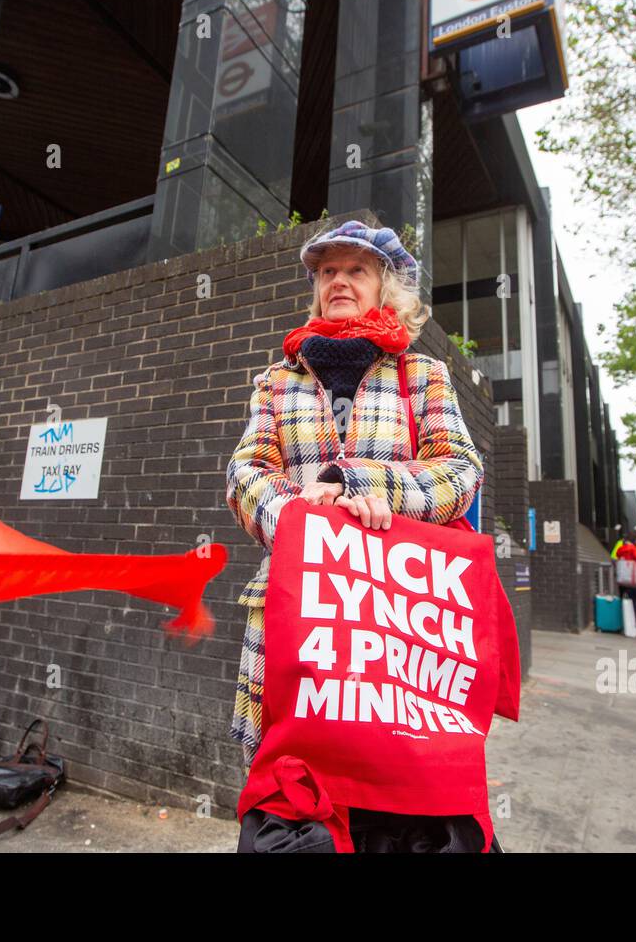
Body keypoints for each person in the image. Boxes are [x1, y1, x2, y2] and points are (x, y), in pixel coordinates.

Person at [225, 219, 492, 853]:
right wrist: (298, 513)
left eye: (356, 270)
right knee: (296, 803)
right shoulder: (277, 381)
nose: (338, 281)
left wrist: (360, 483)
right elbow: (245, 476)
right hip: (298, 621)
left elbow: (460, 470)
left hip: (396, 627)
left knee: (399, 804)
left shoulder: (421, 374)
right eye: (326, 272)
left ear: (384, 288)